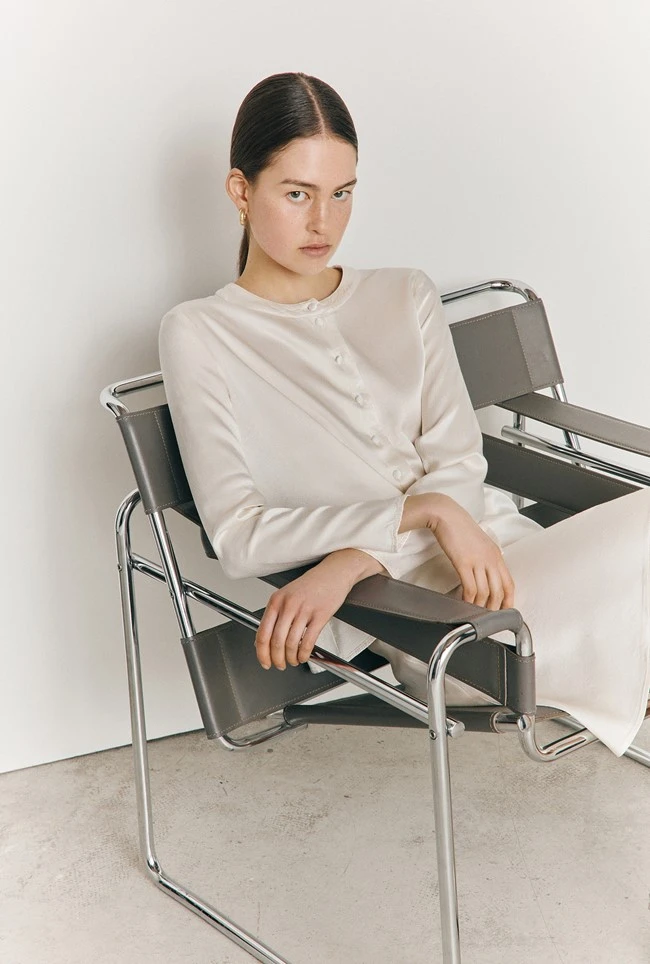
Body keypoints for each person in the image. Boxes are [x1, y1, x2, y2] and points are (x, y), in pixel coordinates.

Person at [159, 71, 650, 757]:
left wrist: (354, 557)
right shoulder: (201, 333)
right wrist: (427, 513)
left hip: (514, 560)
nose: (323, 221)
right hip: (433, 626)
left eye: (341, 193)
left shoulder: (404, 295)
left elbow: (459, 463)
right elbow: (239, 536)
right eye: (297, 193)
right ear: (241, 191)